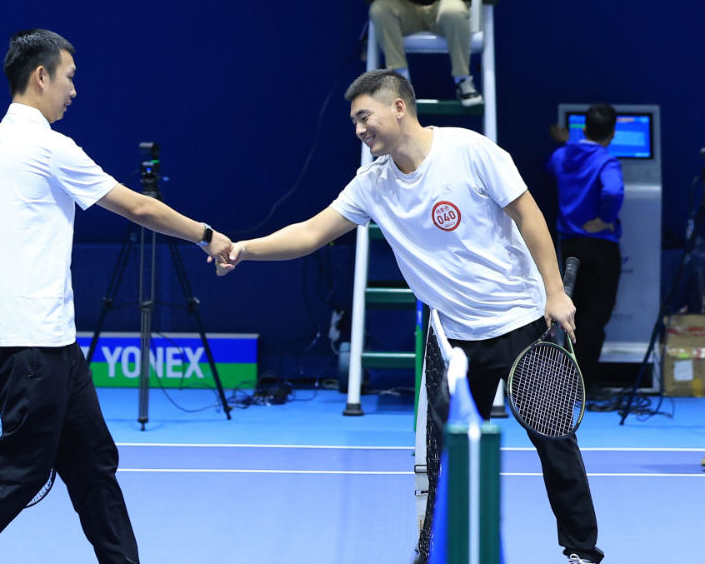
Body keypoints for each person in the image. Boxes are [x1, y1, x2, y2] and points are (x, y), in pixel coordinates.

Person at [214, 69, 603, 564]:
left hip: (523, 322)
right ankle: (435, 551)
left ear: (398, 107)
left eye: (364, 117)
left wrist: (555, 292)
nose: (359, 129)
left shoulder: (470, 150)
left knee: (555, 443)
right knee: (443, 458)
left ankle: (581, 552)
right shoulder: (372, 185)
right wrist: (244, 249)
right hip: (454, 338)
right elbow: (311, 233)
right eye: (354, 122)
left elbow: (528, 214)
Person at [0, 29, 232, 564]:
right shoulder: (51, 148)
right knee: (14, 476)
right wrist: (206, 235)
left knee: (93, 465)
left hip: (52, 347)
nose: (73, 90)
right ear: (41, 76)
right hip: (34, 349)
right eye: (68, 77)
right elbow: (138, 207)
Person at [547, 104, 624, 388]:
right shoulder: (607, 162)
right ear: (612, 134)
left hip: (570, 245)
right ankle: (584, 382)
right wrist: (605, 220)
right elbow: (613, 190)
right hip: (601, 247)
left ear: (584, 128)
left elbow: (553, 168)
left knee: (570, 313)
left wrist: (568, 143)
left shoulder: (561, 155)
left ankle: (564, 380)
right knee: (594, 315)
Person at [368, 0, 482, 107]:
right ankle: (400, 83)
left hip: (444, 7)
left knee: (454, 11)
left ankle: (462, 80)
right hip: (407, 8)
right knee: (380, 9)